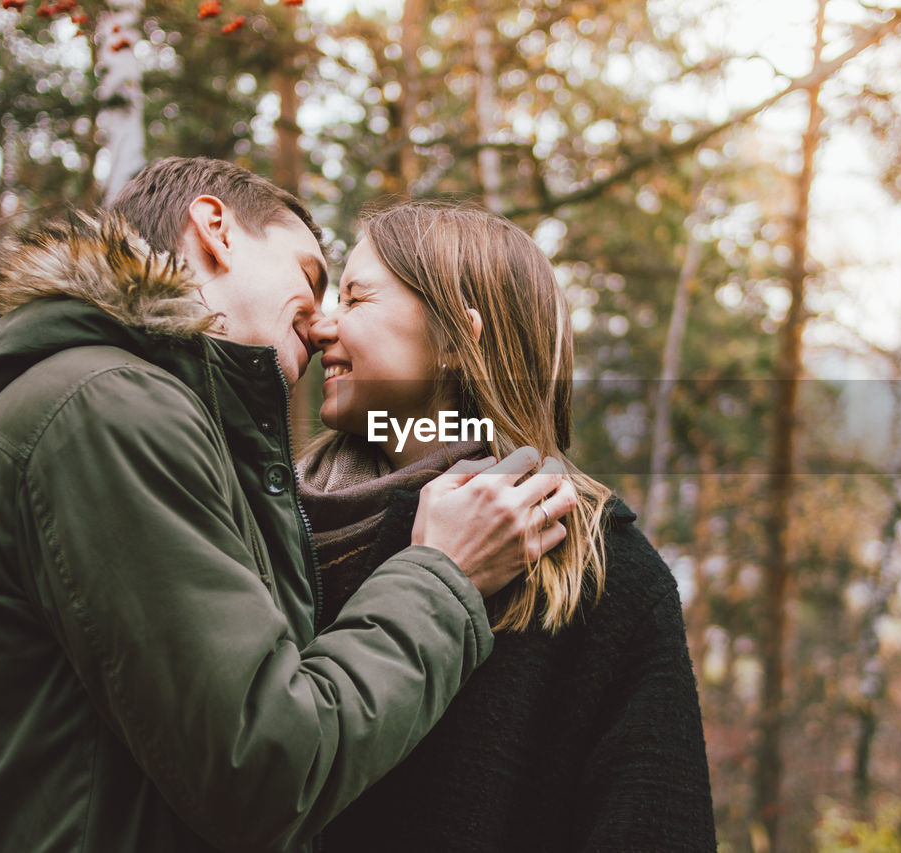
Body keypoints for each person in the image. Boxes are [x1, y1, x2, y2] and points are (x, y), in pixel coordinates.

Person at [0, 158, 577, 853]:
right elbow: (265, 765)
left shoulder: (108, 407)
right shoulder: (109, 407)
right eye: (312, 279)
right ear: (214, 228)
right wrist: (439, 573)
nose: (321, 324)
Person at [297, 199, 716, 851]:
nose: (322, 325)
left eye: (355, 298)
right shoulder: (271, 523)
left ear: (454, 341)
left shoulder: (603, 571)